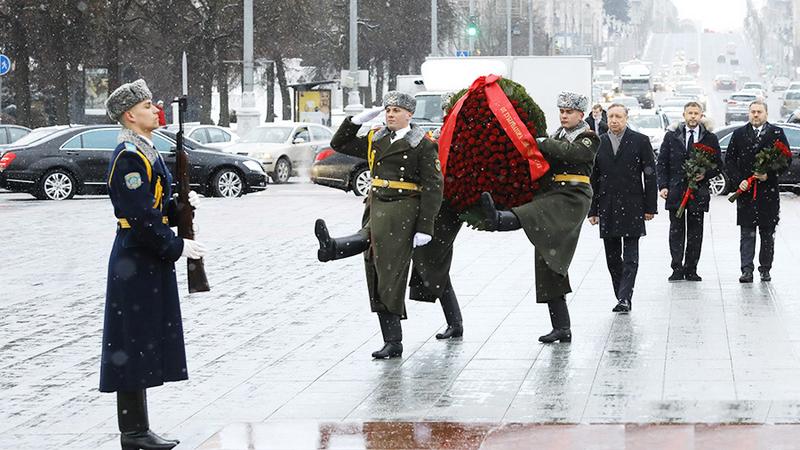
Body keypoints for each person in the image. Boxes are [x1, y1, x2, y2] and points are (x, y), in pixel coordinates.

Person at [100, 79, 205, 450]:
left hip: (144, 259)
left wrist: (179, 211)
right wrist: (176, 246)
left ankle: (139, 429)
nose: (154, 110)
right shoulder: (130, 155)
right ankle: (133, 433)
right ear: (130, 115)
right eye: (147, 106)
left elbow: (153, 207)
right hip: (135, 257)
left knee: (140, 340)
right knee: (130, 343)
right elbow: (140, 216)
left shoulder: (146, 150)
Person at [314, 91, 443, 359]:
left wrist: (425, 227)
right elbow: (339, 143)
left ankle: (394, 341)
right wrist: (356, 120)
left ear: (409, 114)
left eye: (397, 110)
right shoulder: (377, 138)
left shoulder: (423, 144)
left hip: (402, 209)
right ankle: (332, 247)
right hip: (376, 206)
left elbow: (433, 187)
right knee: (373, 267)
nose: (391, 115)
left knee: (390, 271)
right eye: (388, 110)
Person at [480, 91, 600, 343]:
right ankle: (562, 327)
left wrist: (539, 142)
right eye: (562, 111)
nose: (564, 116)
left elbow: (574, 154)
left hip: (573, 197)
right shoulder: (557, 135)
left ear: (581, 114)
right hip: (555, 193)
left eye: (569, 112)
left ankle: (500, 220)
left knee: (534, 214)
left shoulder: (588, 137)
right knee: (549, 261)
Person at [588, 103, 658, 313]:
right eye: (611, 117)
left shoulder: (639, 141)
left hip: (632, 204)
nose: (614, 120)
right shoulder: (598, 143)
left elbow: (650, 176)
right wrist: (592, 210)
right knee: (612, 257)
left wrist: (650, 207)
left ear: (626, 118)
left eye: (618, 116)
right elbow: (593, 179)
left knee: (630, 256)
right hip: (607, 205)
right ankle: (620, 293)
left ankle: (625, 297)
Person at [724, 100, 791, 283]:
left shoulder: (776, 133)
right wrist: (740, 180)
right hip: (746, 193)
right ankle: (746, 269)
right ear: (748, 113)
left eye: (759, 112)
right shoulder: (739, 134)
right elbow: (729, 160)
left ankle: (765, 268)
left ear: (766, 114)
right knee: (747, 233)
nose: (755, 115)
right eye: (752, 111)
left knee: (767, 233)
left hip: (767, 193)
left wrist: (769, 174)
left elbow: (786, 160)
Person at [656, 102, 722, 282]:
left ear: (701, 115)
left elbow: (718, 165)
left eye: (696, 113)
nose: (693, 116)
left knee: (695, 232)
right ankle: (676, 267)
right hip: (676, 191)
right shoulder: (671, 137)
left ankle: (691, 267)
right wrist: (663, 186)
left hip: (698, 192)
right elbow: (662, 163)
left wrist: (705, 174)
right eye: (690, 113)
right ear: (684, 115)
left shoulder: (709, 138)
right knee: (676, 230)